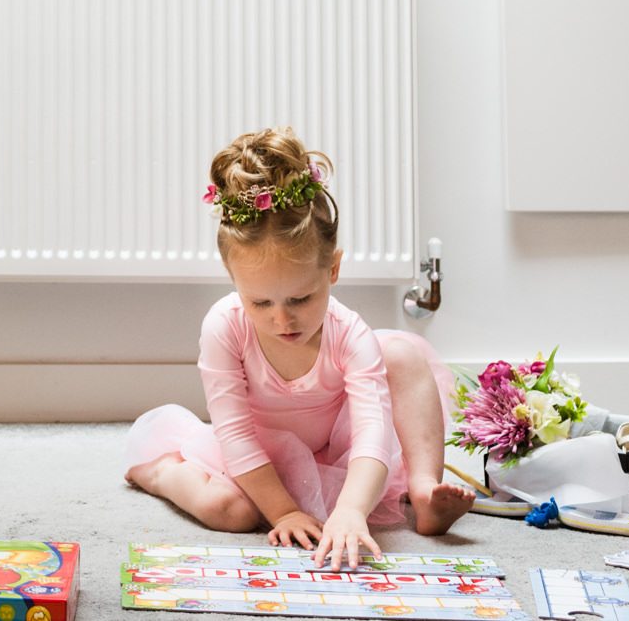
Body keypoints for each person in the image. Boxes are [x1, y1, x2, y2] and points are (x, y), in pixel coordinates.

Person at [123, 128, 475, 567]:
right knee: (230, 512)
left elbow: (372, 434)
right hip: (255, 453)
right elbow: (234, 435)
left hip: (333, 445)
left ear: (333, 268)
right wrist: (284, 511)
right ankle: (163, 472)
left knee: (402, 355)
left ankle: (423, 489)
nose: (281, 319)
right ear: (235, 281)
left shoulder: (350, 333)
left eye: (300, 299)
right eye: (261, 302)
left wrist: (349, 511)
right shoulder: (224, 327)